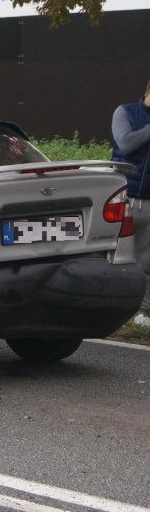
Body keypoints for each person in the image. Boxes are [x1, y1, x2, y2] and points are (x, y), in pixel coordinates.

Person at [111, 79, 150, 326]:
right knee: (117, 256)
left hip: (149, 200)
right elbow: (125, 143)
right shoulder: (125, 112)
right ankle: (115, 308)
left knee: (145, 260)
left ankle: (141, 311)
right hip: (125, 196)